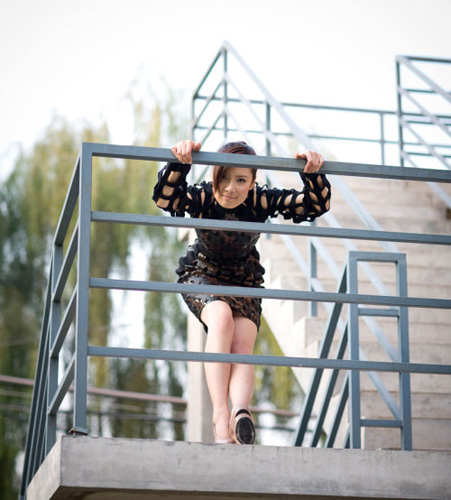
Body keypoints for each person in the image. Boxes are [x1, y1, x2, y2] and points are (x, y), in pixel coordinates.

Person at [153, 139, 331, 445]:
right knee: (221, 319)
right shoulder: (203, 196)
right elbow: (165, 198)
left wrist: (312, 172)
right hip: (202, 272)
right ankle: (220, 414)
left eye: (240, 180)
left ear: (252, 181)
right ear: (215, 175)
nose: (230, 188)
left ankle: (240, 413)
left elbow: (314, 205)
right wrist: (180, 162)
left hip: (244, 279)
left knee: (242, 344)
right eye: (224, 177)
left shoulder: (259, 200)